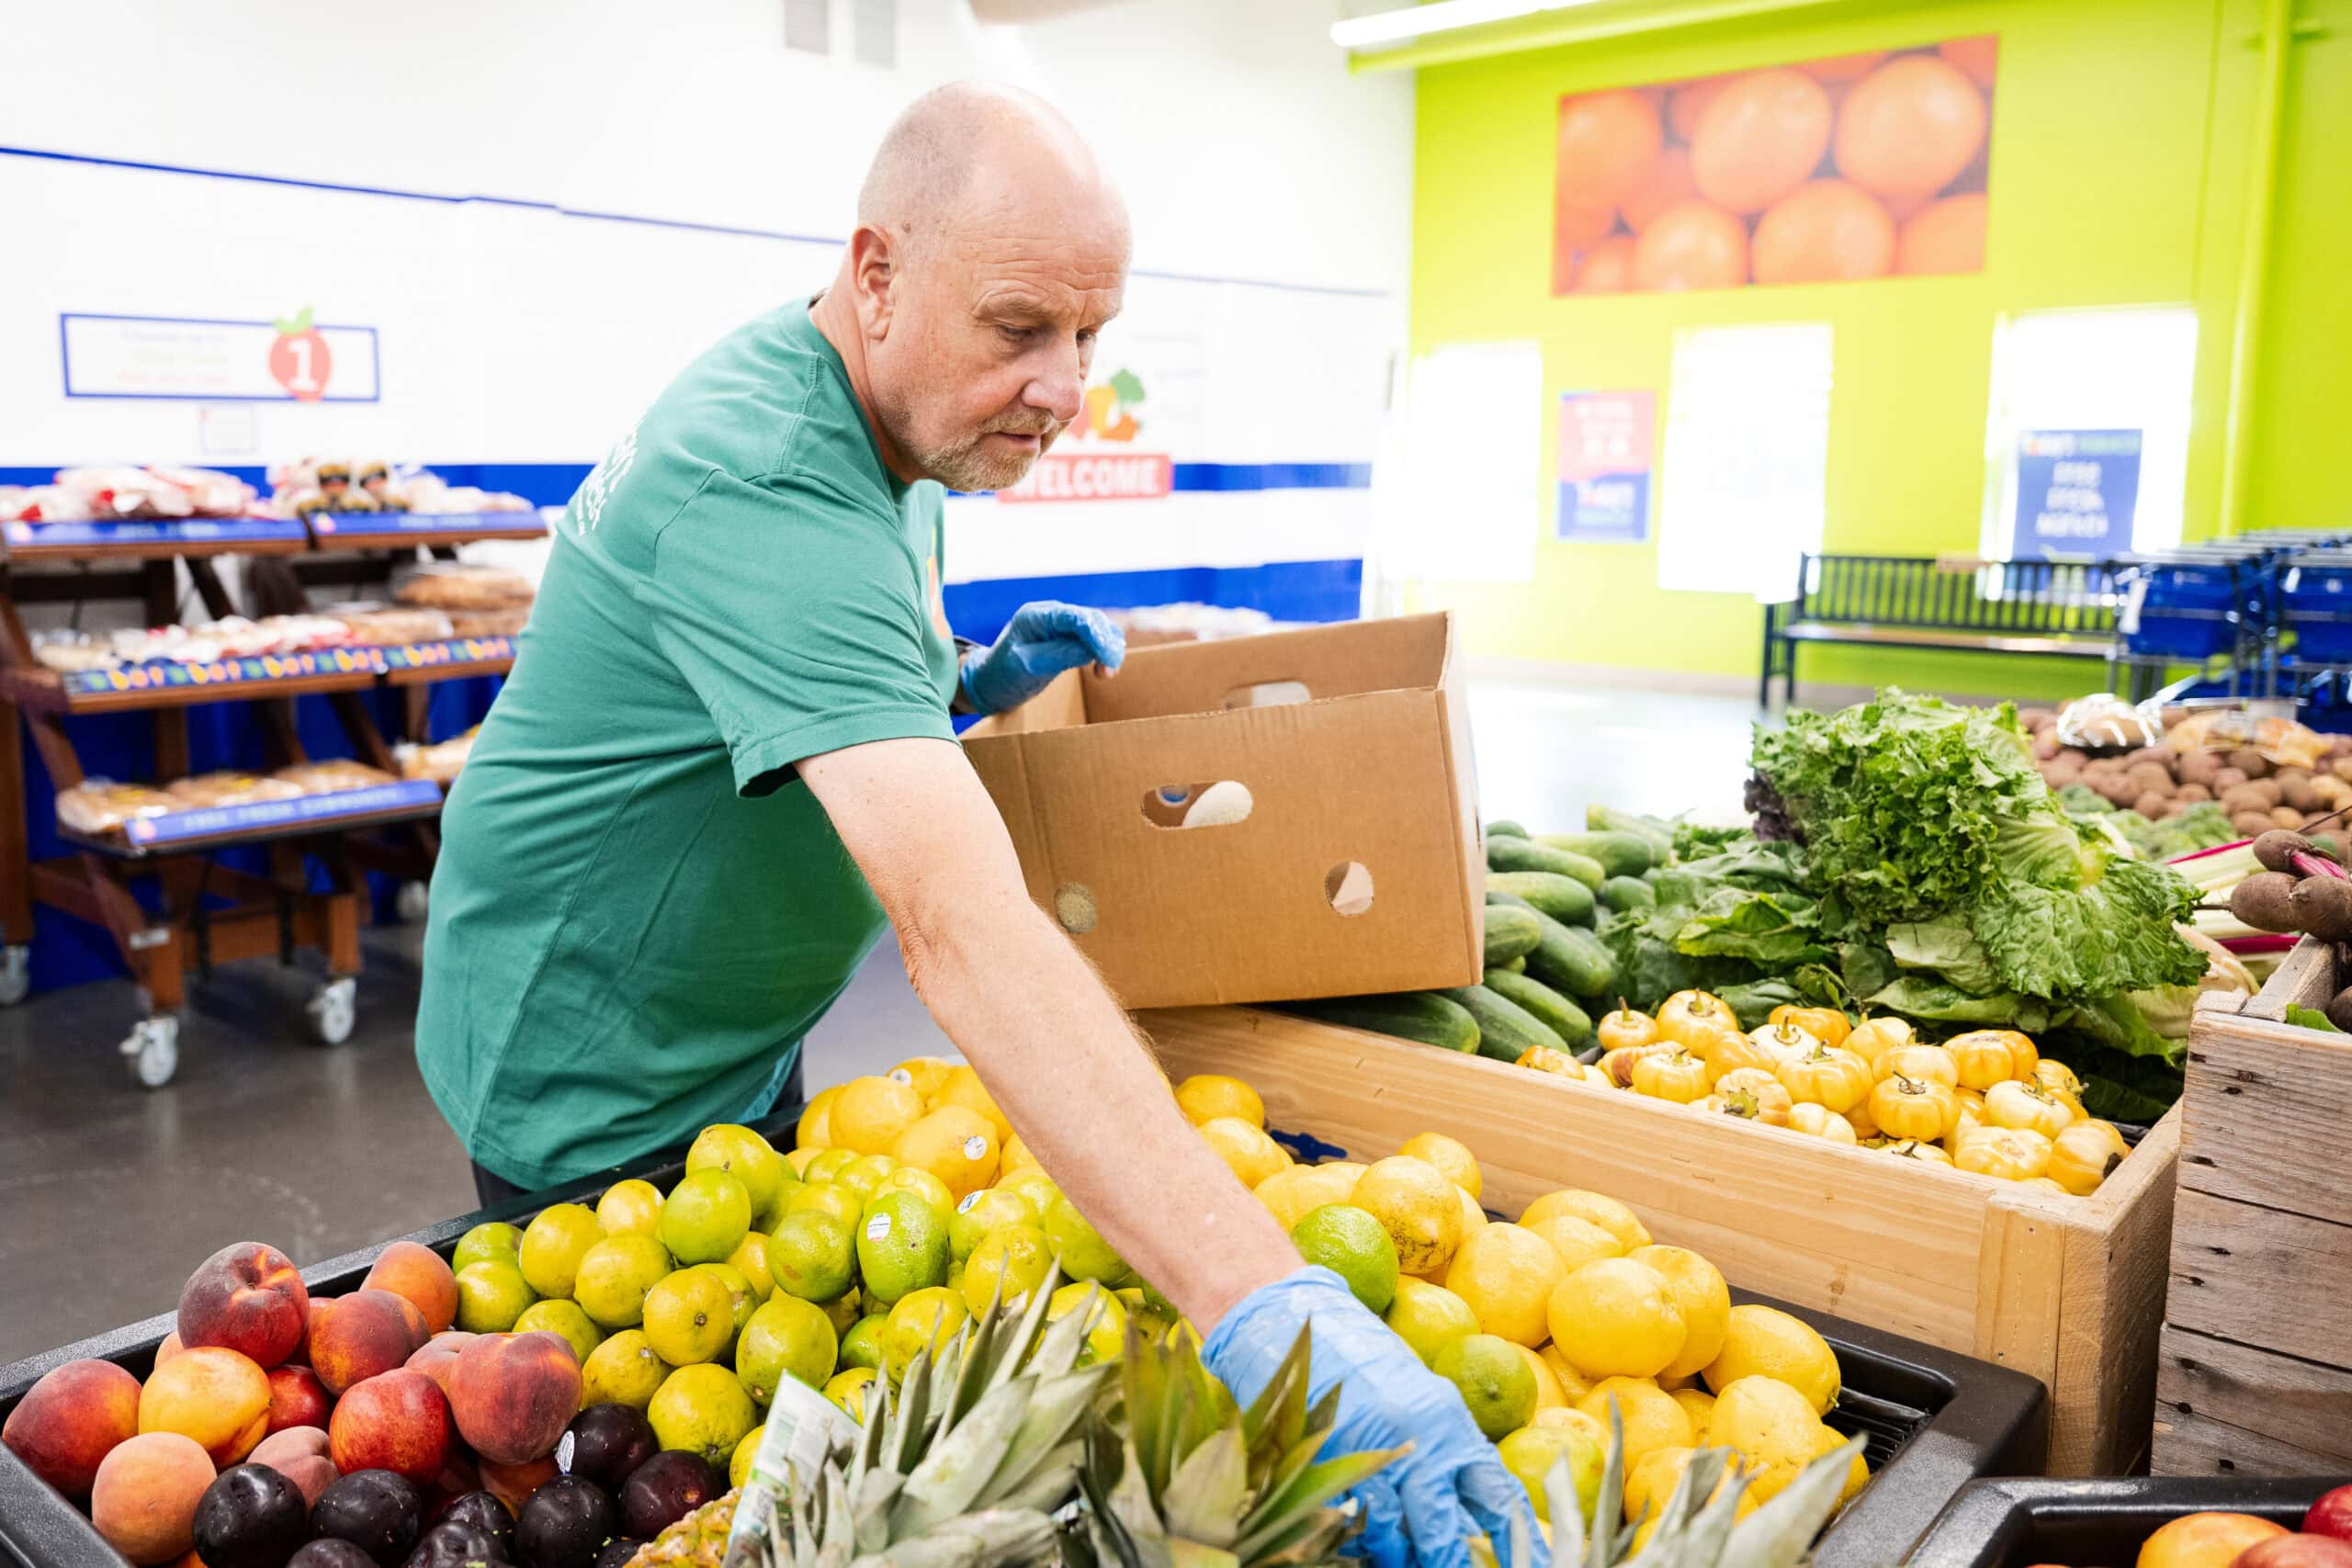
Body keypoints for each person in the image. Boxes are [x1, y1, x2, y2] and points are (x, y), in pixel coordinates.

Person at [414, 81, 1536, 1568]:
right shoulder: (761, 471)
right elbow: (961, 928)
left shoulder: (892, 426)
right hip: (592, 1056)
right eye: (1021, 329)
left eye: (1092, 335)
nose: (1067, 385)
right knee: (658, 1477)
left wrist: (948, 683)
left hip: (727, 1021)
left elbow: (803, 658)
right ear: (875, 274)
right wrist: (1264, 1302)